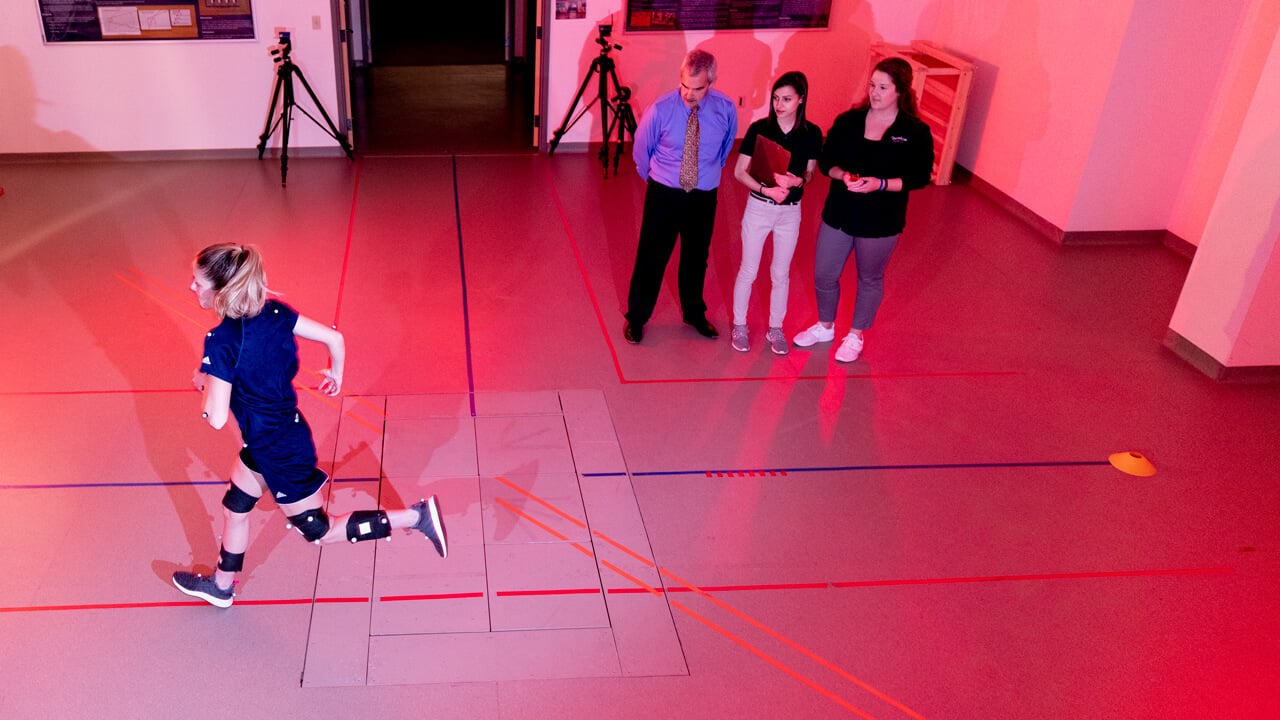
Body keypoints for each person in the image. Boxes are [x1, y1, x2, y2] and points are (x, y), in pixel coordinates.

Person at [172, 244, 447, 608]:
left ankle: (417, 516)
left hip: (280, 452)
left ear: (220, 291)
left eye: (197, 282)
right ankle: (222, 586)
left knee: (320, 530)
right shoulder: (274, 312)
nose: (192, 287)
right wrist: (336, 372)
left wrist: (204, 383)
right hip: (271, 439)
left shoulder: (221, 341)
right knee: (235, 508)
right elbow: (335, 338)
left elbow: (218, 418)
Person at [792, 57, 934, 362]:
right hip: (840, 213)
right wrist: (842, 175)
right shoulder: (848, 121)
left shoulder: (915, 131)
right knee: (824, 273)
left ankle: (855, 335)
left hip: (881, 220)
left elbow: (920, 177)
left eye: (883, 87)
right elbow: (827, 161)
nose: (875, 92)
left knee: (870, 278)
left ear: (900, 92)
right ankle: (825, 326)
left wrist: (880, 184)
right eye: (872, 85)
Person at [623, 48, 737, 344]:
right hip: (664, 194)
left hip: (703, 196)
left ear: (710, 83)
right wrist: (660, 179)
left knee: (696, 258)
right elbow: (641, 151)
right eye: (684, 85)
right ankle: (636, 317)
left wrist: (706, 175)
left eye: (697, 88)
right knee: (651, 256)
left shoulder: (725, 109)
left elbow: (725, 150)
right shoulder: (660, 109)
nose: (688, 93)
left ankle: (694, 313)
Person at [730, 71, 823, 355]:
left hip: (790, 213)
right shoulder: (759, 129)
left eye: (786, 99)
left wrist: (798, 181)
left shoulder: (812, 134)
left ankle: (776, 328)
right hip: (759, 208)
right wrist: (765, 190)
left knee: (781, 274)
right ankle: (740, 325)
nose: (779, 104)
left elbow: (810, 173)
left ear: (801, 100)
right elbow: (738, 172)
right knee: (749, 269)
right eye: (775, 98)